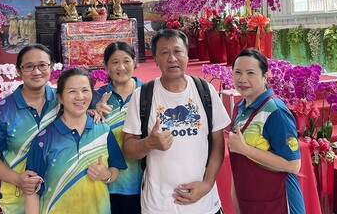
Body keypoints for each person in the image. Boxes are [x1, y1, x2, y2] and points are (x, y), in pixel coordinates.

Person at [122, 29, 230, 214]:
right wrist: (149, 143)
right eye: (164, 53)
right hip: (158, 206)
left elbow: (218, 143)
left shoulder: (205, 91)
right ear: (155, 59)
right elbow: (128, 150)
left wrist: (207, 184)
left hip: (204, 204)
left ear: (187, 55)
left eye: (178, 51)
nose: (172, 58)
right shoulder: (142, 96)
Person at [25, 67, 127, 214]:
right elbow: (32, 190)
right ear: (60, 97)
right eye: (72, 91)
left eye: (85, 90)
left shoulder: (103, 130)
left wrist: (106, 175)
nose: (80, 97)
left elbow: (115, 168)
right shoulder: (44, 139)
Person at [0, 44, 60, 214]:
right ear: (18, 71)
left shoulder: (63, 102)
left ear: (51, 67)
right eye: (29, 66)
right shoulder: (1, 111)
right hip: (18, 198)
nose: (37, 72)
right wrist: (17, 179)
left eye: (42, 65)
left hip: (60, 193)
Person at [227, 48, 305, 214]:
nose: (242, 79)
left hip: (279, 201)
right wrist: (236, 195)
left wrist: (245, 149)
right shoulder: (239, 107)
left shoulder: (275, 111)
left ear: (265, 76)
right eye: (238, 72)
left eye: (250, 73)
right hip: (251, 200)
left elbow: (293, 165)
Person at [92, 41, 143, 214]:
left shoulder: (148, 93)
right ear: (106, 66)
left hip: (144, 184)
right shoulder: (96, 97)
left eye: (126, 61)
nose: (121, 67)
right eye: (114, 62)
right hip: (105, 184)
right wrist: (91, 113)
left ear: (135, 62)